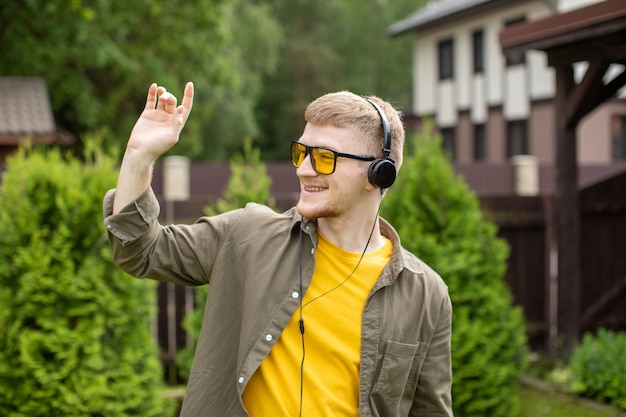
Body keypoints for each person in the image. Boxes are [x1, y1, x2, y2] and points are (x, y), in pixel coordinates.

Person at [103, 82, 453, 417]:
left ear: (379, 174)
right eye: (301, 152)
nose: (303, 169)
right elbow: (139, 250)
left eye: (325, 157)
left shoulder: (426, 293)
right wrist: (137, 157)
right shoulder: (247, 236)